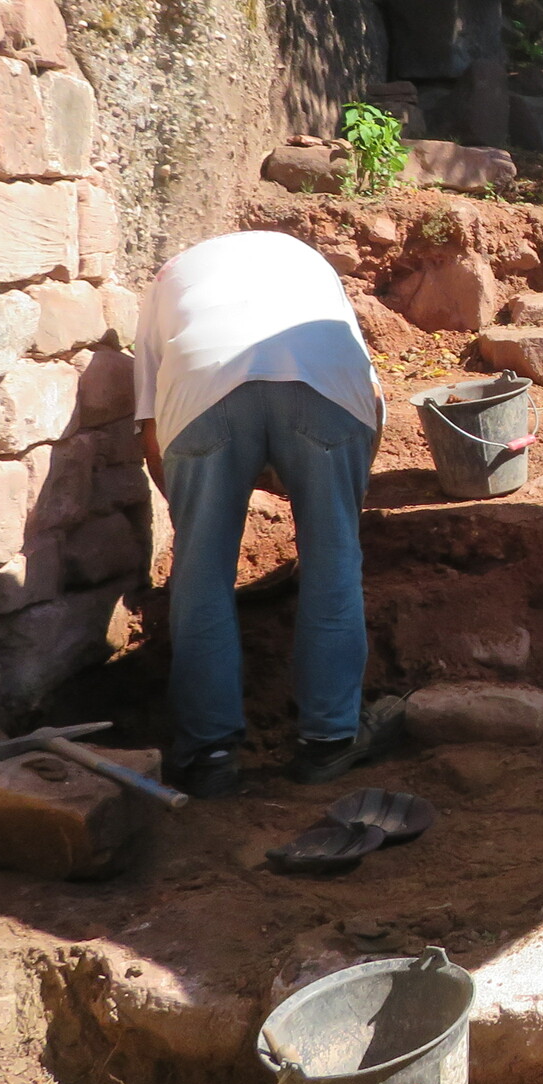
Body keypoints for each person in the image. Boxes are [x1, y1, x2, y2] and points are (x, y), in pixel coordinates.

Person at [135, 229, 394, 798]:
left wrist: (195, 516)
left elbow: (153, 434)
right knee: (333, 563)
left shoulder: (168, 281)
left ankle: (208, 756)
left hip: (203, 384)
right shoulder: (312, 267)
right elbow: (372, 401)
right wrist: (336, 498)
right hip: (327, 385)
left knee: (201, 577)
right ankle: (329, 740)